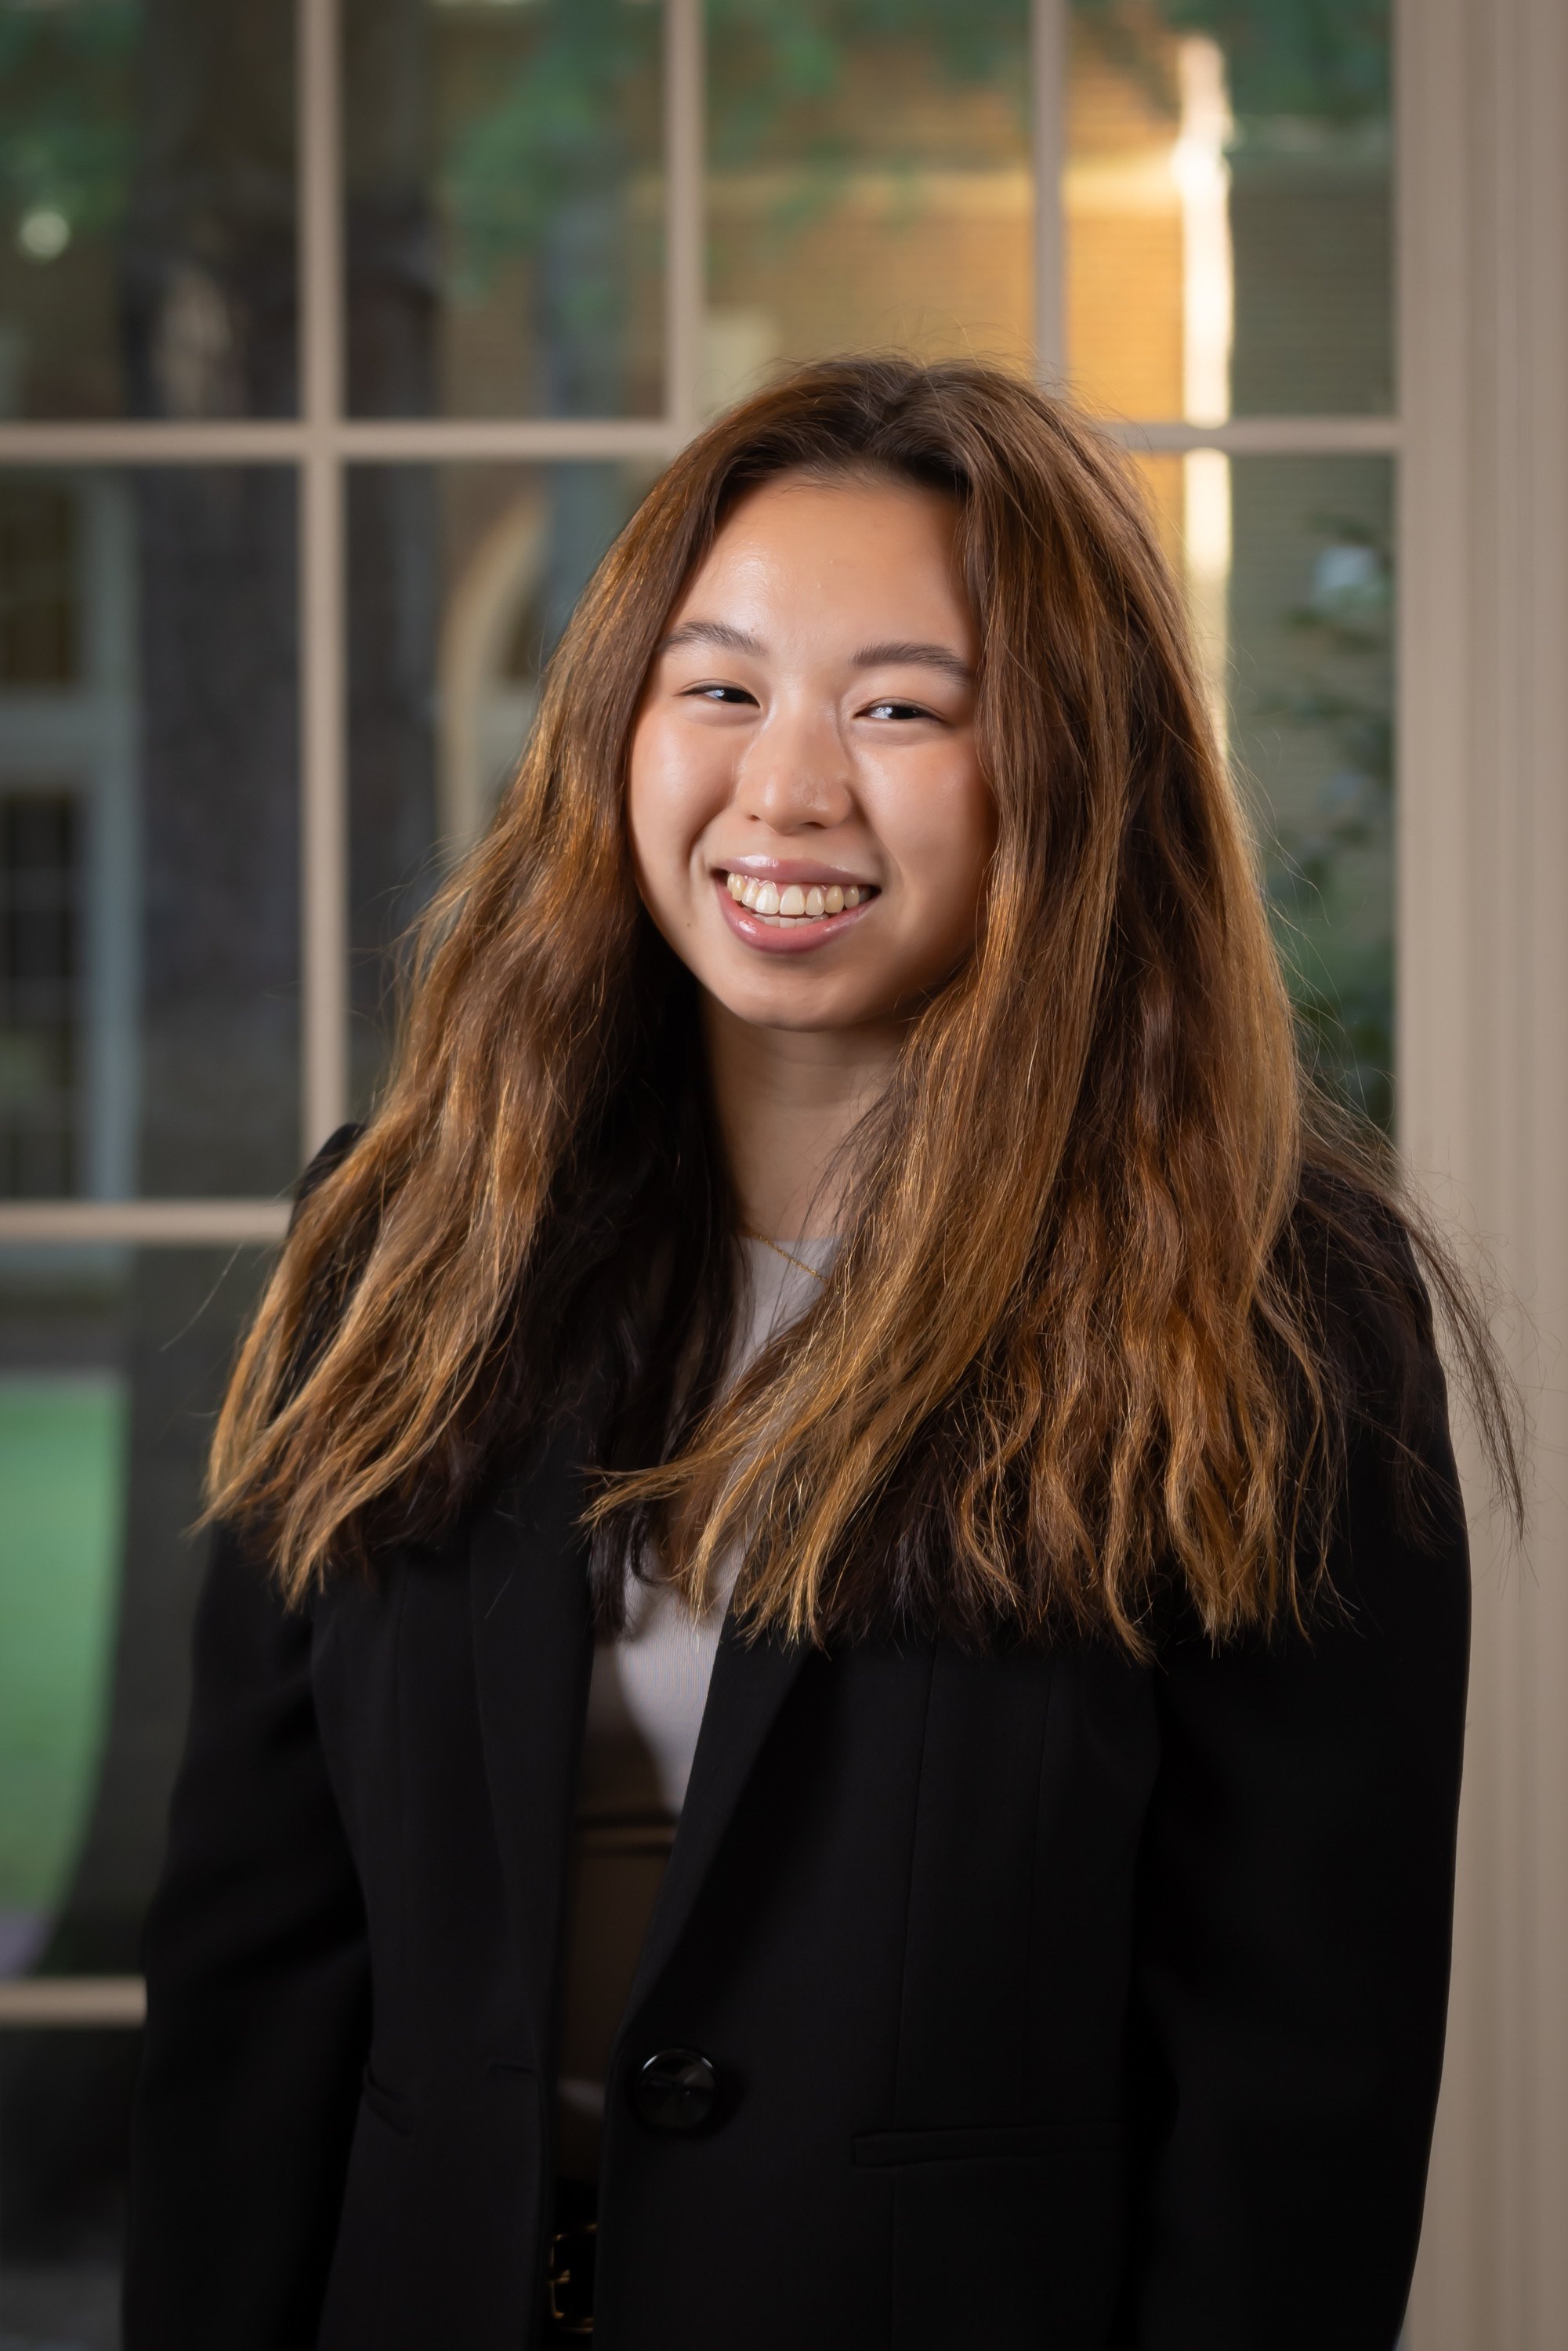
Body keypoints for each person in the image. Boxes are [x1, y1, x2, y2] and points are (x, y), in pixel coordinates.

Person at [122, 357, 1515, 2351]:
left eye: (898, 708)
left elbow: (1297, 2094)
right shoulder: (400, 1234)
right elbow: (256, 1972)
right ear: (615, 725)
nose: (783, 789)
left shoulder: (1274, 1300)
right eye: (717, 689)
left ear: (1067, 763)